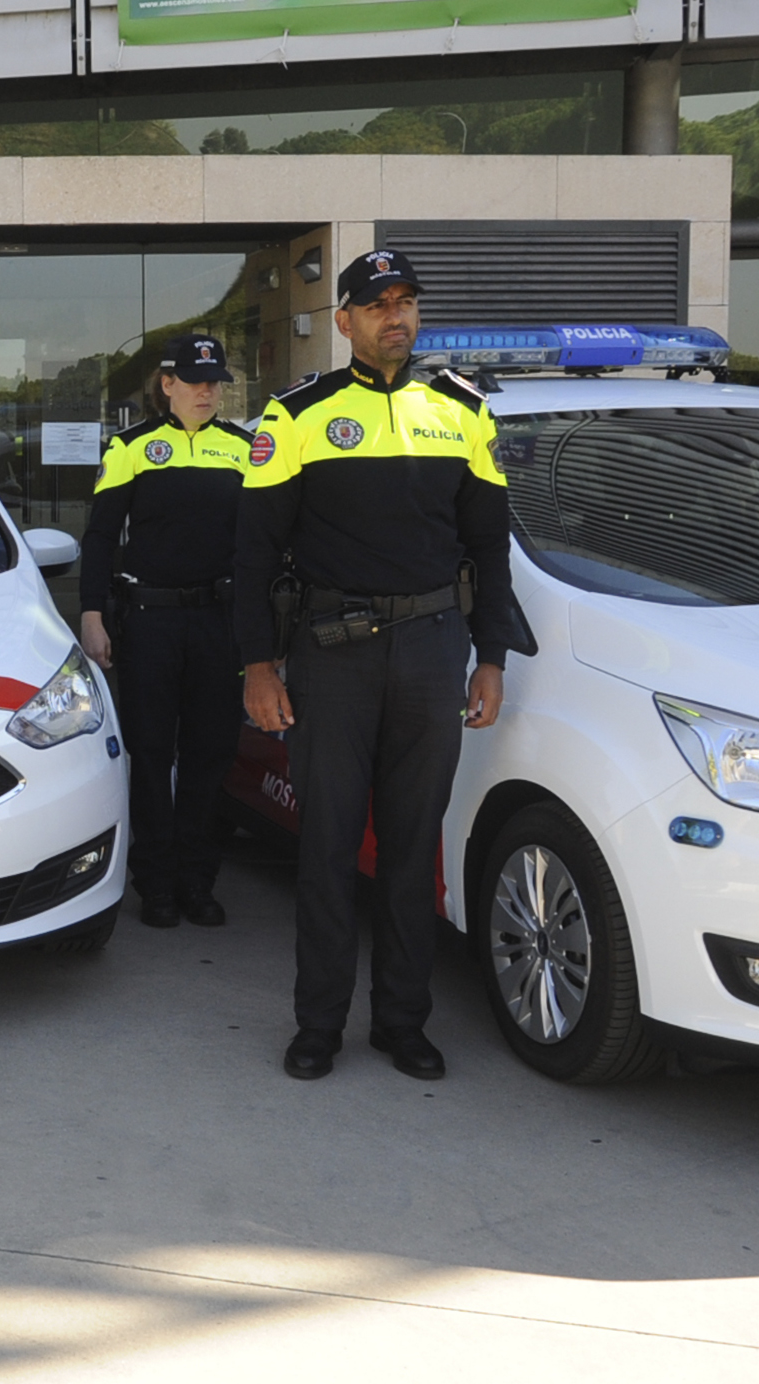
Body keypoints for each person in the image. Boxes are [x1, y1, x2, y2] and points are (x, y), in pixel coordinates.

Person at [234, 248, 511, 1083]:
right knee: (323, 847)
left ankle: (401, 1021)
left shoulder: (461, 410)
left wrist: (490, 656)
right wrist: (257, 665)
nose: (397, 316)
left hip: (432, 652)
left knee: (410, 846)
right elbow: (253, 554)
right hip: (332, 654)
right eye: (378, 303)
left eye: (408, 301)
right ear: (344, 320)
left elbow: (488, 546)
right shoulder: (296, 417)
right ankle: (319, 1024)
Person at [79, 334, 252, 929]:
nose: (207, 391)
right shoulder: (132, 447)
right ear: (168, 384)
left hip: (218, 623)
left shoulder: (245, 449)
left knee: (209, 754)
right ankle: (153, 883)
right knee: (151, 754)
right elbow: (101, 534)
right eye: (195, 380)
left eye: (215, 382)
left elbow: (263, 542)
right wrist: (92, 613)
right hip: (150, 621)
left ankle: (197, 882)